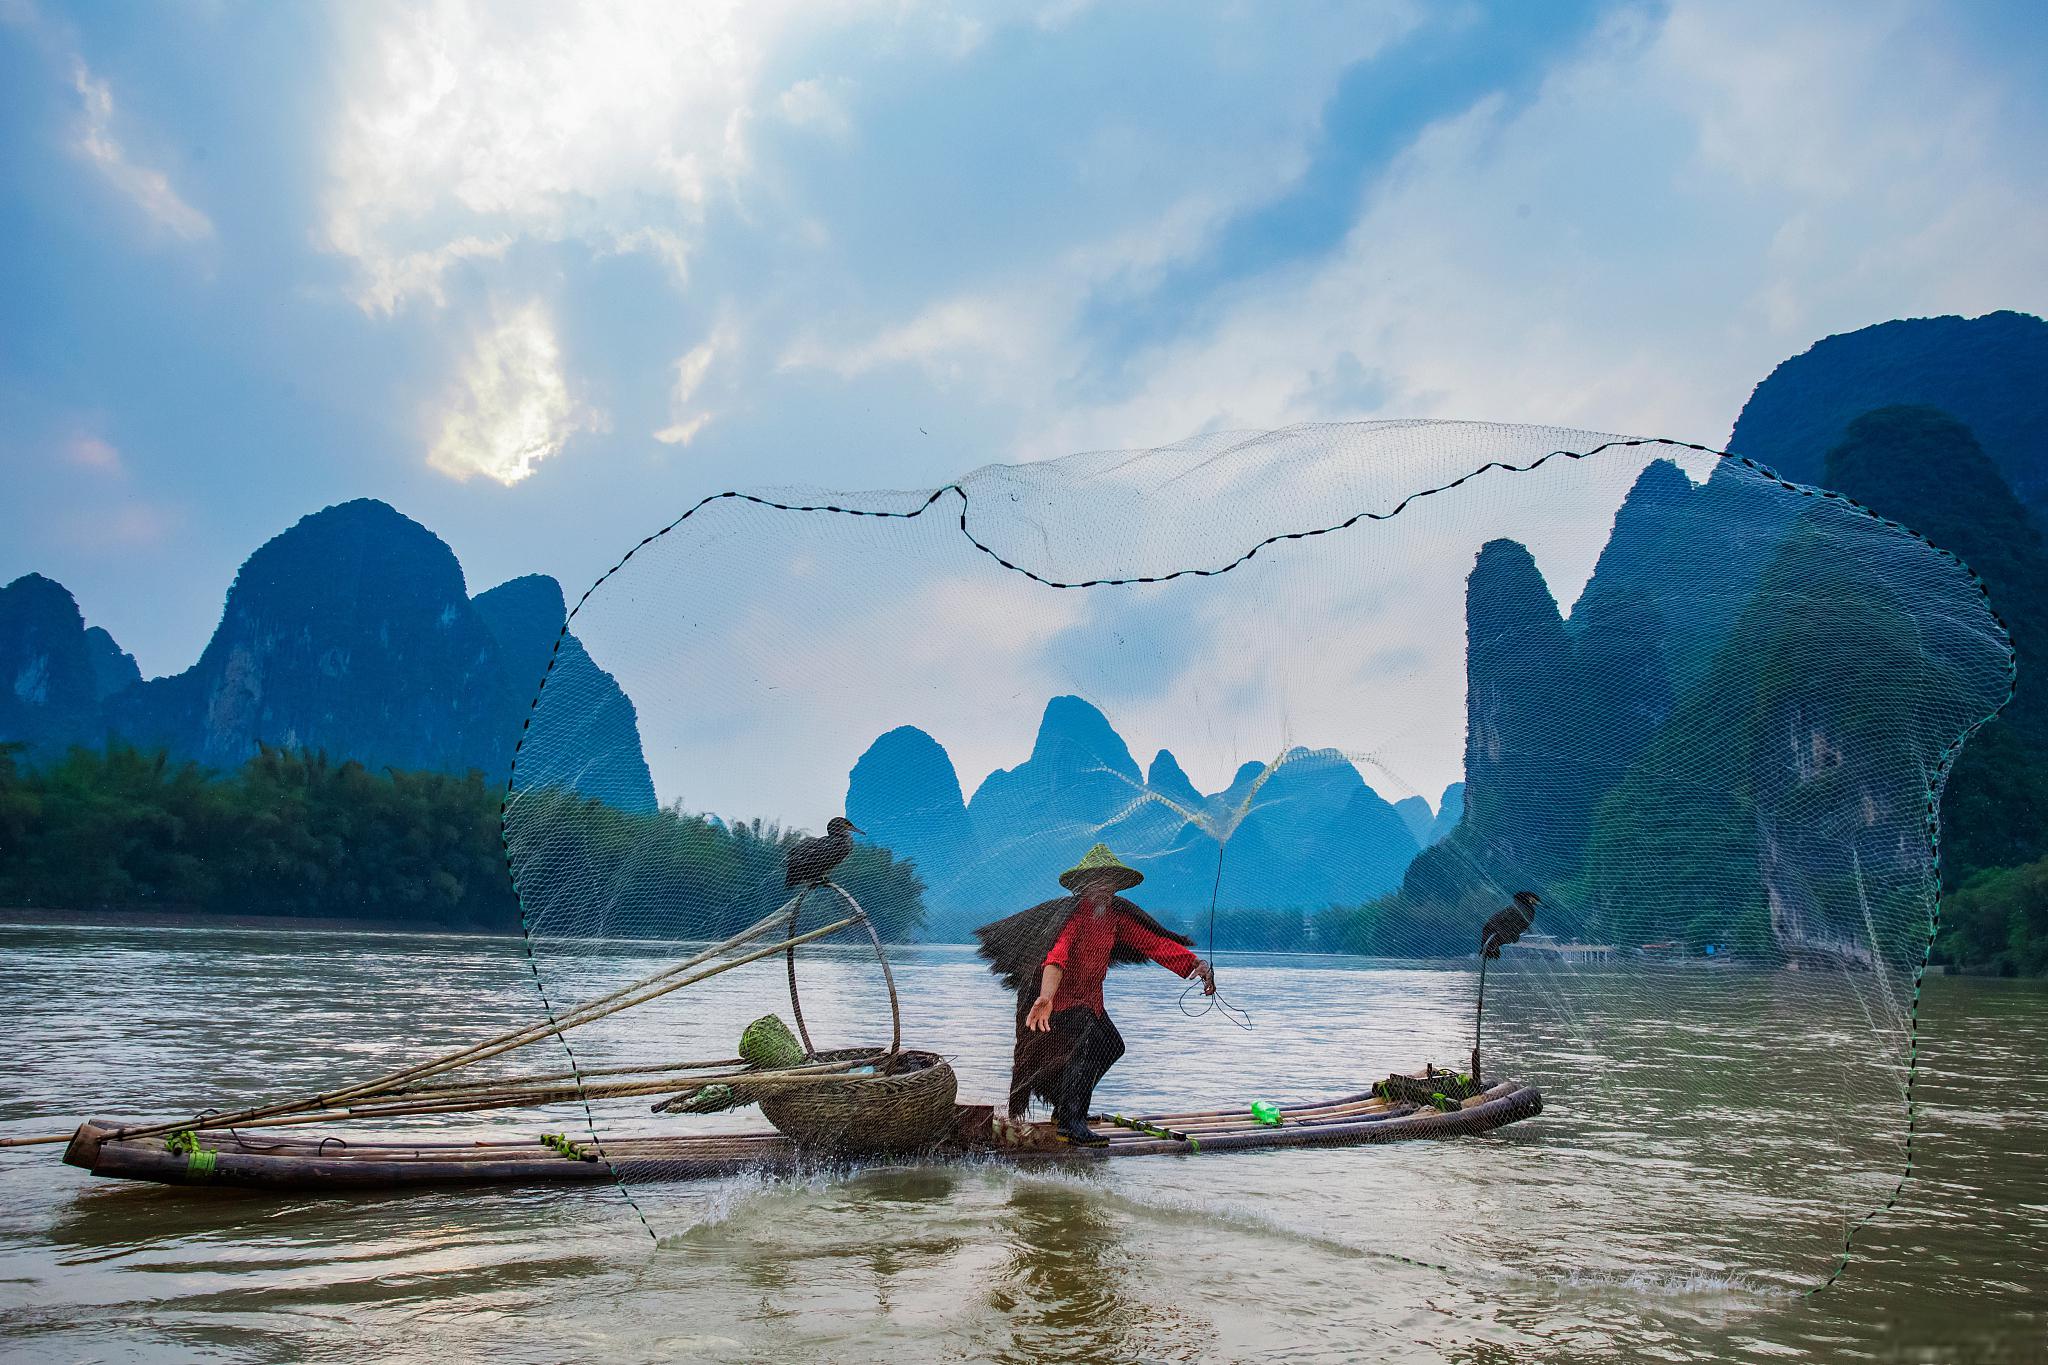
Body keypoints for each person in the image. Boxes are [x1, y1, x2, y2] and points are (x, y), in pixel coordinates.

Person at [973, 843, 1217, 1146]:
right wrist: (1046, 997)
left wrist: (1194, 964)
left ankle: (1067, 1111)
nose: (1103, 887)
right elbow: (1056, 957)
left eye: (1109, 881)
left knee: (1112, 1045)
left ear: (1116, 886)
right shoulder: (1073, 917)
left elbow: (1152, 943)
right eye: (1097, 880)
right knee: (1090, 1043)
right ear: (1083, 885)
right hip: (1061, 1005)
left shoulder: (1115, 918)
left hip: (1090, 1003)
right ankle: (1071, 1121)